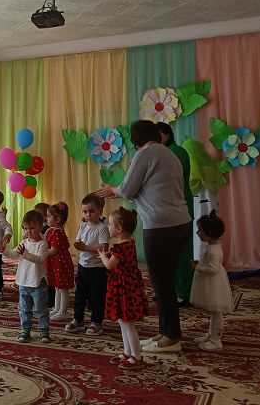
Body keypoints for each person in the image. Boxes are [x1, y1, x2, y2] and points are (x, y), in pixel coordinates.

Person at [95, 119, 191, 353]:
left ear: (135, 139)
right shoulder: (169, 153)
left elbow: (128, 189)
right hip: (181, 222)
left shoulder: (145, 154)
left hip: (161, 225)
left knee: (162, 283)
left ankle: (171, 338)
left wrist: (112, 190)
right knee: (166, 281)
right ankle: (165, 332)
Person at [99, 207, 148, 369]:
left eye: (110, 224)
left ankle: (136, 356)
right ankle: (128, 352)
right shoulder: (129, 243)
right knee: (123, 322)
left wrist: (102, 256)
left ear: (119, 229)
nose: (108, 227)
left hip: (124, 289)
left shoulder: (121, 247)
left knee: (127, 324)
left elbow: (109, 265)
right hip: (125, 287)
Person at [0, 209, 50, 343]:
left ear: (41, 226)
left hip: (38, 281)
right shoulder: (24, 243)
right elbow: (14, 254)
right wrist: (4, 251)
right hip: (24, 281)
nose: (28, 231)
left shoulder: (42, 244)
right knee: (24, 308)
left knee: (40, 308)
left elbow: (40, 259)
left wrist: (25, 254)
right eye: (26, 228)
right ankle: (25, 329)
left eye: (32, 228)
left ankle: (44, 330)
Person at [158, 121, 195, 307]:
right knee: (165, 253)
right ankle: (169, 290)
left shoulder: (177, 152)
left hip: (179, 207)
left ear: (166, 134)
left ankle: (184, 292)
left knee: (181, 253)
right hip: (166, 209)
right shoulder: (162, 152)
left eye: (157, 136)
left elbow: (167, 179)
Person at [66, 193, 110, 335]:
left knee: (97, 296)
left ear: (100, 211)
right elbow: (79, 242)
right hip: (82, 266)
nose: (88, 214)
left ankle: (96, 322)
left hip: (97, 269)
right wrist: (78, 245)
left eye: (91, 211)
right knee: (80, 295)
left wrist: (85, 247)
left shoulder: (102, 228)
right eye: (85, 211)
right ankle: (78, 320)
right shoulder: (83, 226)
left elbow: (104, 248)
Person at [191, 211, 234, 351]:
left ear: (209, 233)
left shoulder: (213, 251)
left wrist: (198, 267)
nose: (197, 233)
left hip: (214, 284)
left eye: (200, 231)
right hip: (211, 282)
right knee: (214, 312)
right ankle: (211, 335)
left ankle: (216, 340)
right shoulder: (211, 247)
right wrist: (200, 263)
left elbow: (213, 269)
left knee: (216, 312)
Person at [45, 202, 75, 321]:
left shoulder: (57, 233)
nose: (46, 219)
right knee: (57, 287)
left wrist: (42, 251)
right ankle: (57, 308)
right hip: (56, 263)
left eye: (48, 216)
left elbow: (53, 251)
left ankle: (63, 311)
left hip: (61, 264)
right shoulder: (52, 231)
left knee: (62, 288)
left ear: (57, 219)